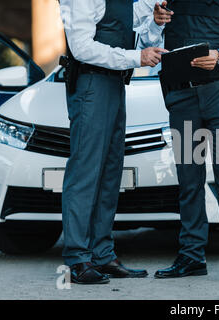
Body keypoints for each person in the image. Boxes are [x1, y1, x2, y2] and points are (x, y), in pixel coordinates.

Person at [59, 0, 172, 285]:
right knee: (85, 173)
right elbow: (82, 47)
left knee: (110, 173)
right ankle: (77, 259)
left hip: (113, 84)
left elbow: (129, 28)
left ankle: (102, 254)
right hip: (90, 85)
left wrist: (155, 21)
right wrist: (136, 57)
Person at [154, 0, 219, 282]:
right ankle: (191, 256)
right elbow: (149, 42)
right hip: (182, 96)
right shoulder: (164, 0)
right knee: (189, 179)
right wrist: (155, 22)